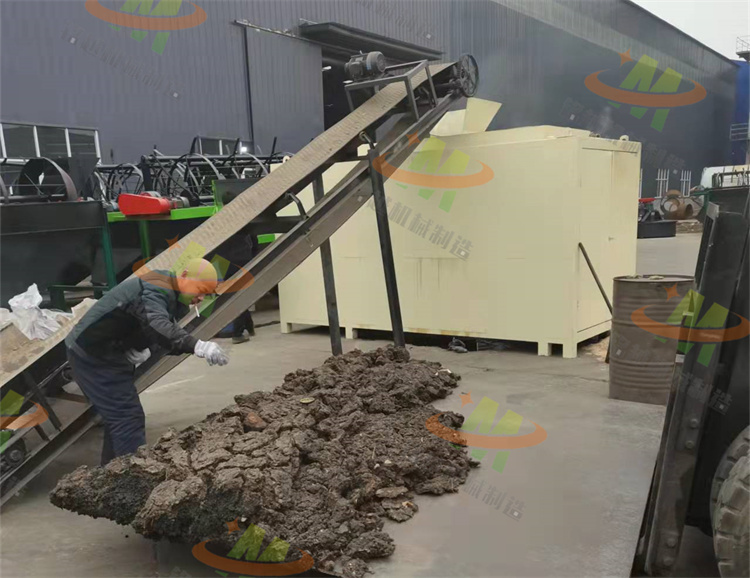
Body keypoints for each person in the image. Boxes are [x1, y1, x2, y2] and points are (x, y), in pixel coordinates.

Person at [65, 258, 229, 465]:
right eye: (201, 290)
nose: (201, 298)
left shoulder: (169, 294)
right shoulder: (157, 288)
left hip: (110, 353)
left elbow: (153, 329)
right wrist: (197, 346)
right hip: (92, 355)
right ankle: (132, 476)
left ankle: (110, 473)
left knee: (120, 418)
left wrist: (145, 348)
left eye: (207, 294)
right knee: (127, 417)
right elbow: (157, 324)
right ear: (184, 275)